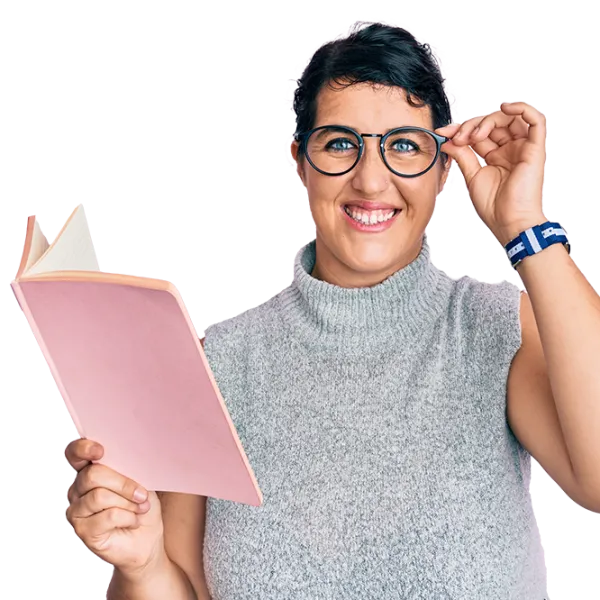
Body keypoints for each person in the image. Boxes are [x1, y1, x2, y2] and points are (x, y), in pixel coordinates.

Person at [64, 18, 599, 599]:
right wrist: (141, 566)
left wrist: (525, 227)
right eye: (341, 143)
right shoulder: (218, 363)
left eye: (404, 146)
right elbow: (184, 588)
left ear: (446, 166)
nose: (372, 180)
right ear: (300, 159)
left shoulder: (497, 331)